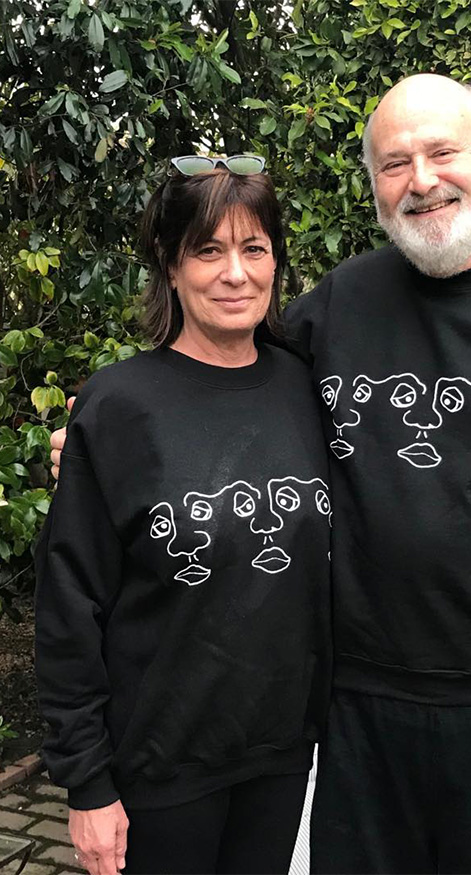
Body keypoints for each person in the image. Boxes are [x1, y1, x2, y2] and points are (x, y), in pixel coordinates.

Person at [51, 75, 471, 874]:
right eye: (394, 163)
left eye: (442, 152)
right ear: (374, 185)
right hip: (354, 712)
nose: (421, 179)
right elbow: (218, 398)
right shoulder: (338, 307)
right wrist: (101, 452)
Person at [35, 158, 332, 875]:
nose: (235, 272)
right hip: (159, 768)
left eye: (254, 248)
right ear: (170, 266)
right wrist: (87, 782)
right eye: (209, 250)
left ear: (276, 263)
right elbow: (70, 604)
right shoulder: (118, 406)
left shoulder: (309, 387)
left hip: (281, 754)